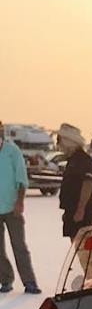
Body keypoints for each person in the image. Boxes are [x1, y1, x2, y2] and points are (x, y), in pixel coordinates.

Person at [0, 121, 41, 294]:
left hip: (12, 208)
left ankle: (29, 282)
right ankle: (5, 280)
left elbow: (21, 179)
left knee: (19, 246)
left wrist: (20, 201)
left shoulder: (12, 151)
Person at [57, 123, 92, 282]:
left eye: (60, 141)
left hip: (81, 213)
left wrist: (80, 208)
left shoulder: (83, 160)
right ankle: (91, 278)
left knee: (86, 249)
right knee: (80, 249)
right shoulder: (72, 160)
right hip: (71, 212)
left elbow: (87, 184)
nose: (58, 145)